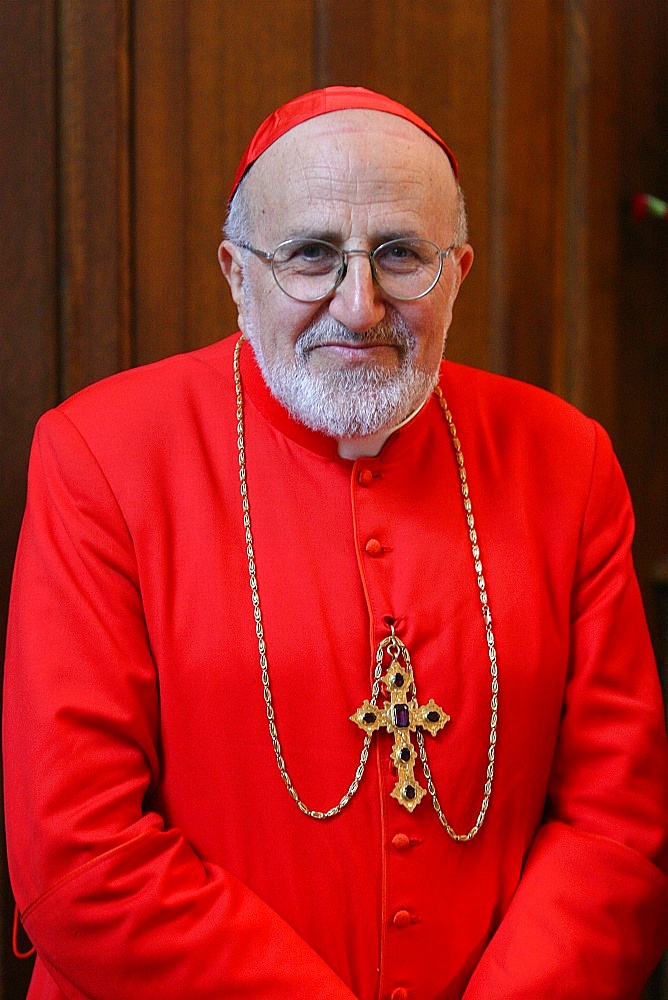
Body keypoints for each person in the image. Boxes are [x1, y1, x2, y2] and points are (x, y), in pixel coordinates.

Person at [3, 85, 667, 1000]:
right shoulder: (100, 457)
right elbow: (79, 851)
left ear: (460, 269)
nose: (359, 306)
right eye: (311, 255)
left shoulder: (568, 462)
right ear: (237, 272)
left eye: (402, 255)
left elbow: (617, 826)